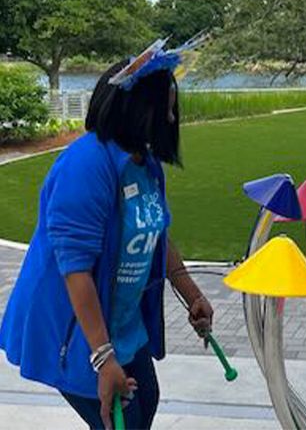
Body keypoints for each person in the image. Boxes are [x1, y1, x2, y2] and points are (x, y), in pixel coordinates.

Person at [0, 48, 213, 429]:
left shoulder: (144, 164)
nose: (169, 118)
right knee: (124, 422)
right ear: (135, 109)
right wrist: (102, 358)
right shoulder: (86, 165)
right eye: (163, 107)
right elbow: (75, 269)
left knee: (145, 404)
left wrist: (192, 295)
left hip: (124, 326)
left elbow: (157, 231)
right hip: (79, 332)